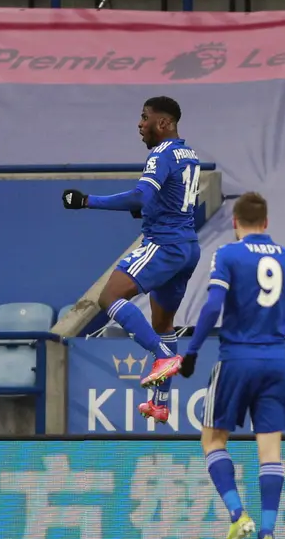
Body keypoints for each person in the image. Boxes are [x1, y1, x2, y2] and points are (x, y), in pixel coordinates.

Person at [178, 192, 285, 539]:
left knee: (213, 439)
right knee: (271, 450)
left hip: (236, 359)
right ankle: (266, 534)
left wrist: (191, 351)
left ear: (235, 223)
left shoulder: (228, 255)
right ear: (266, 223)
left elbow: (213, 306)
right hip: (276, 363)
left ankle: (237, 513)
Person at [62, 96, 202, 424]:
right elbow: (170, 199)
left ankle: (162, 354)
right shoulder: (189, 154)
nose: (139, 124)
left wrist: (86, 201)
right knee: (163, 324)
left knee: (108, 296)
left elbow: (141, 195)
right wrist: (146, 209)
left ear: (163, 123)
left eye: (145, 118)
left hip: (164, 245)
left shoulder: (162, 153)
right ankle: (160, 403)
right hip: (187, 247)